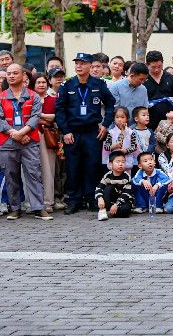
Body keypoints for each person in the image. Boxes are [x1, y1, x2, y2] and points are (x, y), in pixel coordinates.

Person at [55, 52, 116, 215]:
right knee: (73, 167)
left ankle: (92, 198)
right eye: (77, 63)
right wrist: (65, 131)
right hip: (73, 133)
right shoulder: (67, 85)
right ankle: (73, 200)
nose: (79, 66)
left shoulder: (99, 84)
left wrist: (105, 125)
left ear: (90, 65)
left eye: (82, 63)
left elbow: (111, 104)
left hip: (92, 132)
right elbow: (59, 110)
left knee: (92, 166)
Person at [0, 63, 52, 221]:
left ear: (23, 76)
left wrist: (22, 132)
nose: (11, 76)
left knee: (34, 174)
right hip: (7, 143)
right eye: (9, 73)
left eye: (15, 73)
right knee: (11, 176)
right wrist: (15, 134)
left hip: (29, 142)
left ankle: (39, 208)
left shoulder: (33, 96)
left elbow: (35, 117)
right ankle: (15, 208)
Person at [34, 74, 61, 213]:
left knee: (48, 169)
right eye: (38, 82)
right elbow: (28, 117)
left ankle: (48, 201)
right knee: (32, 170)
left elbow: (56, 117)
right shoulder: (30, 99)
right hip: (31, 135)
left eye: (43, 82)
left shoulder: (54, 100)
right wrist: (45, 118)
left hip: (48, 136)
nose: (41, 85)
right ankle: (32, 202)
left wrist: (39, 116)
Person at [142, 51, 173, 132]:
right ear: (147, 65)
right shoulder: (143, 79)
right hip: (149, 121)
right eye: (153, 67)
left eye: (159, 66)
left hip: (170, 120)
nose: (157, 69)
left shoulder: (171, 78)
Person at [95, 150, 133, 220]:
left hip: (123, 200)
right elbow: (99, 188)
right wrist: (100, 198)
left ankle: (111, 211)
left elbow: (126, 194)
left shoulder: (126, 176)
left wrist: (116, 205)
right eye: (118, 162)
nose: (121, 164)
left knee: (125, 210)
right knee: (108, 188)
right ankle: (104, 210)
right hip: (111, 200)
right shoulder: (107, 176)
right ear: (110, 164)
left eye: (123, 162)